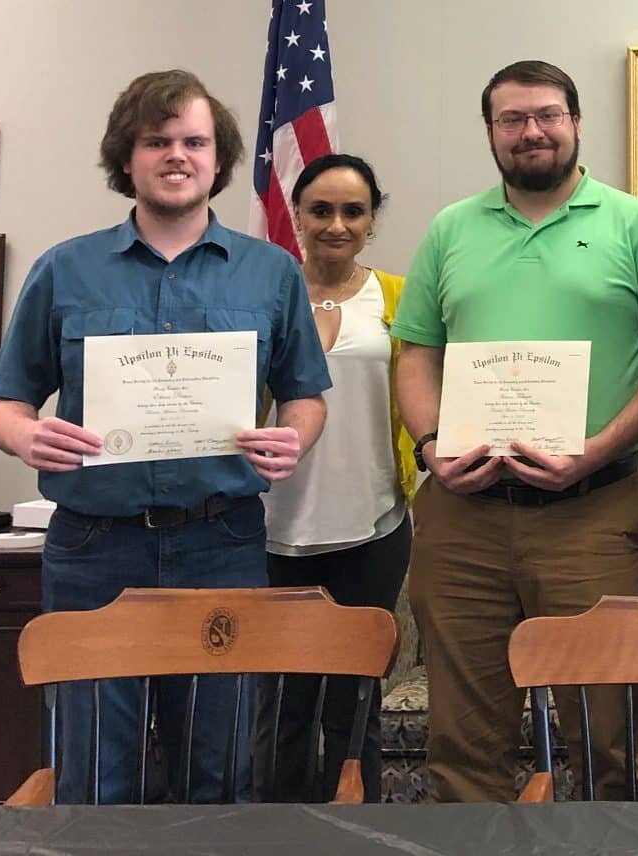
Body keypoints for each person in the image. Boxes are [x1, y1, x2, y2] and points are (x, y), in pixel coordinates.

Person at [0, 69, 329, 803]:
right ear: (127, 157)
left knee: (220, 766)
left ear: (219, 157)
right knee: (97, 772)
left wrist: (293, 439)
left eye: (195, 141)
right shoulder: (64, 268)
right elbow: (6, 400)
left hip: (222, 543)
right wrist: (24, 438)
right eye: (157, 141)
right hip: (93, 547)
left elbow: (306, 396)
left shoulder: (271, 272)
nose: (178, 155)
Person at [392, 60, 638, 803]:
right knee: (462, 743)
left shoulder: (637, 224)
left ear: (576, 123)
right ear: (491, 132)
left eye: (547, 115)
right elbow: (417, 352)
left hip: (591, 510)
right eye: (512, 120)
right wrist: (429, 446)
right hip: (464, 518)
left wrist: (595, 450)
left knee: (604, 736)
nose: (532, 132)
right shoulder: (452, 228)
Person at [253, 153, 415, 803]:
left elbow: (425, 392)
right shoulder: (261, 294)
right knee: (280, 707)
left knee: (355, 710)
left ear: (372, 219)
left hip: (372, 524)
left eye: (354, 211)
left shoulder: (399, 296)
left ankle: (362, 835)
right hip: (269, 527)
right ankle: (274, 838)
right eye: (321, 209)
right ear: (296, 215)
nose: (337, 224)